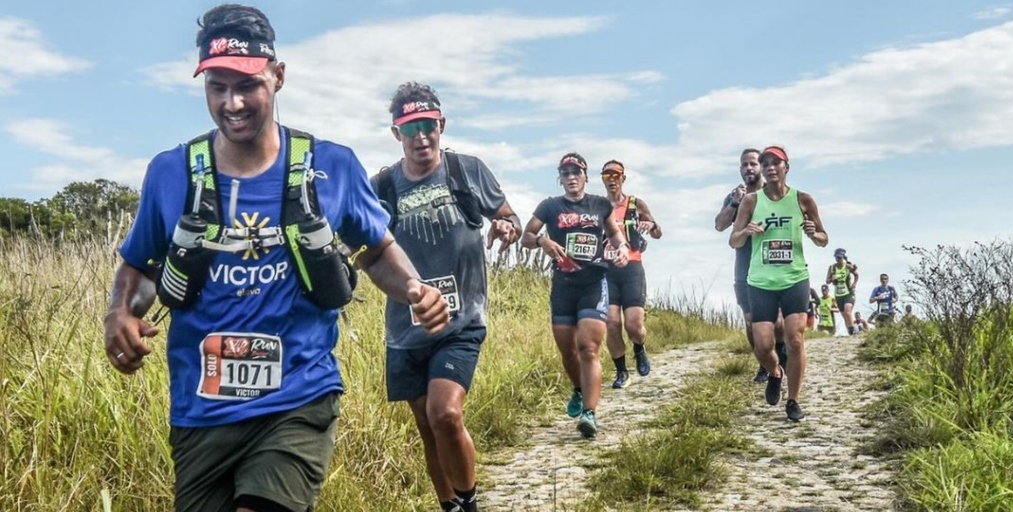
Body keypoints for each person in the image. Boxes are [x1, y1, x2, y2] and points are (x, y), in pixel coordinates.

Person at [102, 6, 450, 512]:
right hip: (200, 412)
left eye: (247, 86)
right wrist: (120, 313)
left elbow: (375, 249)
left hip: (298, 398)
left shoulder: (332, 165)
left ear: (278, 76)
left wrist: (416, 290)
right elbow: (137, 266)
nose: (232, 102)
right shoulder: (170, 173)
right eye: (217, 87)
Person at [371, 82, 522, 512]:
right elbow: (360, 242)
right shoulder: (381, 186)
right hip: (405, 327)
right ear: (396, 133)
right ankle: (449, 505)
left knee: (445, 414)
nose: (421, 137)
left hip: (461, 321)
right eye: (411, 127)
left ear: (442, 125)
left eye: (429, 126)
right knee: (426, 426)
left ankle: (470, 503)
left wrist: (506, 226)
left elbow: (507, 214)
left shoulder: (466, 170)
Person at [523, 152, 629, 438]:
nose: (571, 177)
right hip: (563, 286)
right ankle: (579, 390)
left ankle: (589, 414)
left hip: (593, 282)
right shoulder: (549, 206)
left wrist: (621, 248)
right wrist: (543, 240)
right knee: (568, 352)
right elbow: (526, 236)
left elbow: (616, 235)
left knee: (589, 348)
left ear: (585, 176)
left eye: (576, 172)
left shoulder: (599, 204)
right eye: (565, 173)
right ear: (560, 178)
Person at [729, 146, 828, 422]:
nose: (770, 167)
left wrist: (813, 234)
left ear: (787, 167)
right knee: (762, 345)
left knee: (795, 339)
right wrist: (746, 231)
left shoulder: (802, 200)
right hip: (760, 281)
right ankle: (775, 372)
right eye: (765, 163)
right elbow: (733, 239)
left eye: (776, 163)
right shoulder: (751, 201)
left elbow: (824, 238)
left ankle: (794, 401)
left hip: (794, 278)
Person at [715, 148, 787, 384]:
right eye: (744, 165)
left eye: (753, 164)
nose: (749, 168)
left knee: (776, 321)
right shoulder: (735, 196)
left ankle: (781, 353)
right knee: (750, 321)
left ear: (762, 167)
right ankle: (764, 364)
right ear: (740, 169)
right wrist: (734, 203)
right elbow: (719, 226)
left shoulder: (772, 194)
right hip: (744, 268)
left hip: (772, 267)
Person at [598, 160, 661, 389]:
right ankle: (622, 372)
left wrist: (650, 224)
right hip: (606, 269)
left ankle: (639, 347)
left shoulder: (635, 204)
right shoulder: (597, 206)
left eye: (616, 175)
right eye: (607, 176)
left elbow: (658, 233)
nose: (612, 179)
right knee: (612, 322)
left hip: (632, 268)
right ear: (603, 179)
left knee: (633, 325)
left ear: (623, 178)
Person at [826, 248, 859, 335]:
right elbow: (827, 281)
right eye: (836, 257)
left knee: (848, 312)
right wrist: (831, 279)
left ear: (843, 257)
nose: (838, 259)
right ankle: (850, 332)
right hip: (838, 294)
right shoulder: (832, 267)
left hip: (848, 293)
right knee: (844, 315)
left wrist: (854, 284)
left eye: (840, 258)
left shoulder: (847, 266)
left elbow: (856, 275)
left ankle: (853, 333)